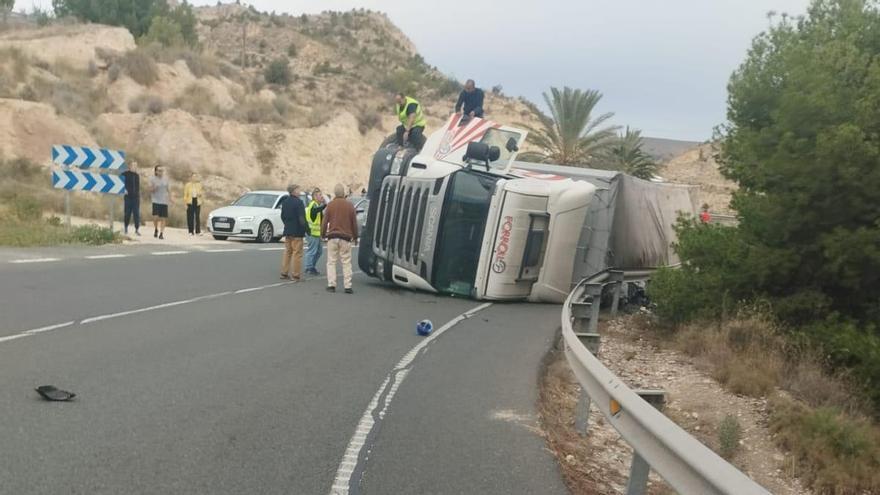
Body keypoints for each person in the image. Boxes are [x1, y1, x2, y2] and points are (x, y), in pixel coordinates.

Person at [323, 183, 359, 294]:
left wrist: (322, 234)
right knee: (346, 262)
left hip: (333, 236)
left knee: (331, 262)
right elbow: (354, 223)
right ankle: (348, 286)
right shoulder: (350, 206)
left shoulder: (330, 205)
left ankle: (331, 285)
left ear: (334, 193)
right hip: (345, 237)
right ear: (343, 193)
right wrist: (355, 237)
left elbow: (325, 222)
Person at [280, 184, 307, 281]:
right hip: (297, 232)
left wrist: (287, 225)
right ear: (294, 191)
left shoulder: (285, 202)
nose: (300, 191)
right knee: (297, 253)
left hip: (288, 230)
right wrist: (306, 229)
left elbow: (282, 216)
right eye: (298, 189)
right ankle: (295, 275)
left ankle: (284, 272)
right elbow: (301, 218)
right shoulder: (299, 202)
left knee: (287, 252)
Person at [304, 188, 327, 275]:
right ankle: (309, 267)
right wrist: (324, 205)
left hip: (317, 233)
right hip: (312, 233)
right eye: (320, 195)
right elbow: (316, 211)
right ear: (314, 197)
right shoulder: (314, 205)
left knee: (319, 251)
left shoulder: (317, 205)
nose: (322, 197)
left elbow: (321, 219)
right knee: (312, 251)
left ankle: (311, 266)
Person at [149, 165, 171, 240]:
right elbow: (150, 190)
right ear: (156, 171)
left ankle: (161, 233)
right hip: (155, 200)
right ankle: (156, 229)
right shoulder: (152, 179)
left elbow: (168, 189)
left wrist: (170, 198)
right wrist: (155, 187)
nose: (161, 172)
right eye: (159, 170)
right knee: (155, 217)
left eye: (162, 171)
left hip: (164, 201)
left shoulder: (166, 179)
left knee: (163, 218)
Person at [121, 160, 141, 236]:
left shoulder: (137, 175)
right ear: (129, 166)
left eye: (136, 166)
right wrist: (124, 189)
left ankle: (137, 229)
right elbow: (119, 181)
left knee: (136, 214)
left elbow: (138, 187)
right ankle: (125, 227)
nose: (135, 167)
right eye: (133, 165)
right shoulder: (125, 174)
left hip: (136, 198)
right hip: (128, 197)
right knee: (127, 213)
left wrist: (138, 195)